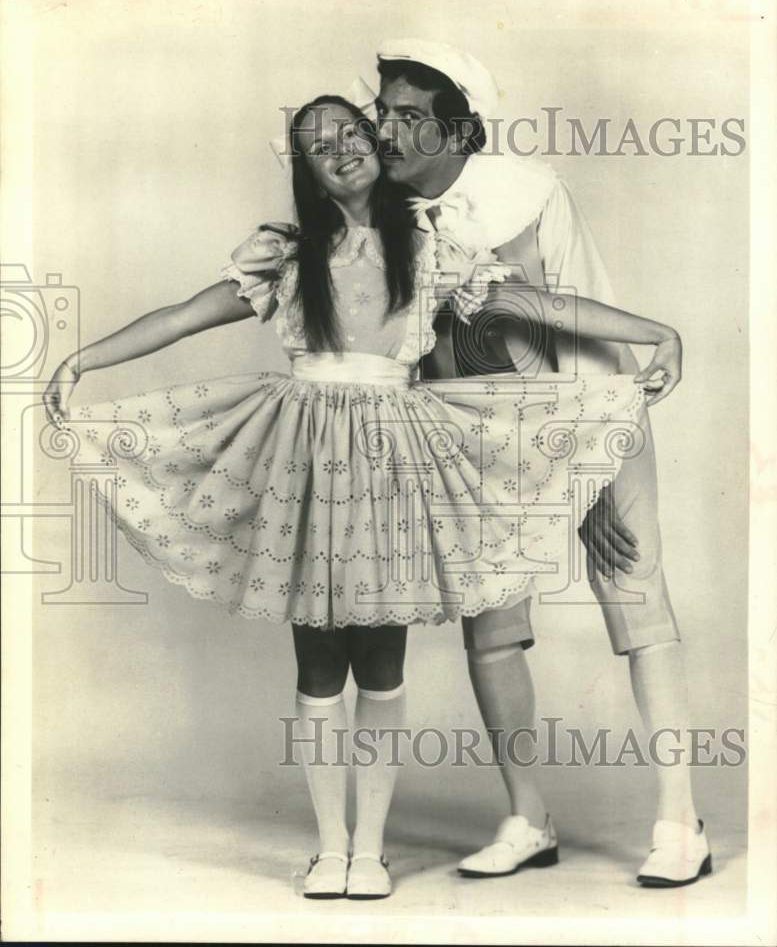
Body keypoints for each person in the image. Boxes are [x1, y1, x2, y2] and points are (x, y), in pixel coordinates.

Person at [44, 92, 682, 904]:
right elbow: (184, 315)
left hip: (390, 459)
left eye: (352, 131)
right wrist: (83, 361)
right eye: (318, 145)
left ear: (375, 144)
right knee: (317, 661)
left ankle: (370, 851)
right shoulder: (285, 255)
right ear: (305, 169)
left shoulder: (430, 249)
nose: (341, 147)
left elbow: (539, 306)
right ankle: (330, 849)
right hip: (307, 456)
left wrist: (654, 331)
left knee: (380, 657)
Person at [372, 38, 711, 889]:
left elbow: (573, 305)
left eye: (408, 116)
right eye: (382, 112)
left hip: (585, 415)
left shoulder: (530, 193)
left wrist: (590, 460)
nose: (385, 130)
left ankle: (679, 818)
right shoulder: (374, 214)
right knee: (487, 625)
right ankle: (527, 814)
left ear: (458, 132)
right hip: (474, 442)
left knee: (635, 594)